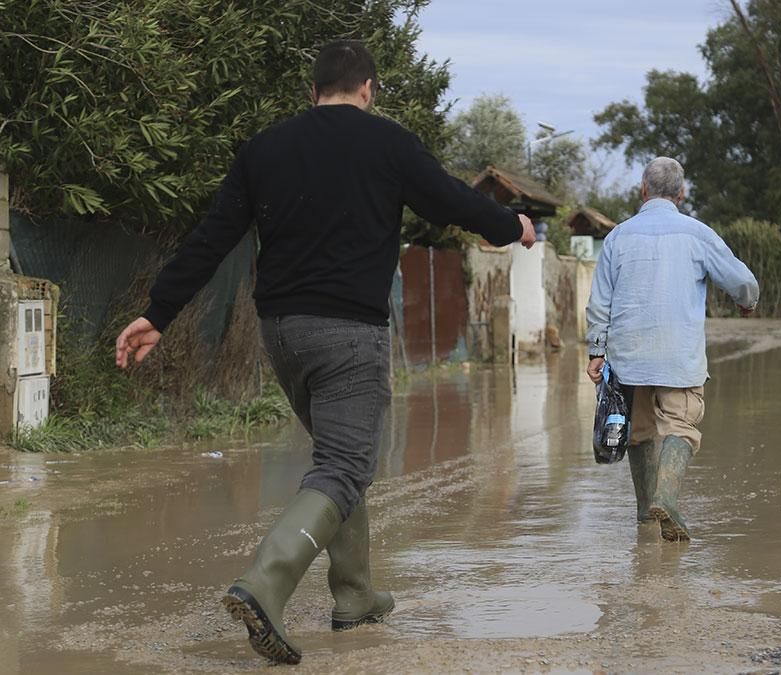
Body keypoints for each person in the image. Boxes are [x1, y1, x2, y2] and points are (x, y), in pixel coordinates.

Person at [115, 40, 535, 665]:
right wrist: (512, 225)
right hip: (348, 334)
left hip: (280, 334)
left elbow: (210, 240)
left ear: (312, 92)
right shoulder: (387, 143)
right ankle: (266, 582)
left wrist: (158, 313)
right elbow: (453, 201)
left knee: (342, 455)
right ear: (368, 89)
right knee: (344, 465)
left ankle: (356, 595)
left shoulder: (265, 148)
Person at [585, 157, 759, 542]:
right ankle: (667, 496)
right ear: (681, 194)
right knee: (680, 424)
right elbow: (742, 281)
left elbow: (600, 302)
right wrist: (747, 301)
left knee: (640, 433)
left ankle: (646, 516)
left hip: (629, 360)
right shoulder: (698, 234)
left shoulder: (617, 237)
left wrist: (596, 350)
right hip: (679, 357)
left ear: (642, 191)